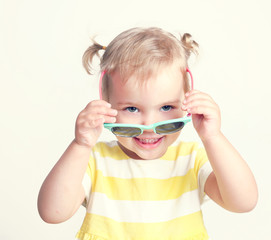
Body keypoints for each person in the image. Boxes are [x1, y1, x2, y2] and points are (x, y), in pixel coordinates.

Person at [38, 27, 258, 240]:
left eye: (166, 108)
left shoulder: (192, 159)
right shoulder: (94, 161)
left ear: (186, 102)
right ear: (106, 104)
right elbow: (52, 213)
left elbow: (243, 202)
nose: (150, 125)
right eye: (132, 109)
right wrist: (80, 145)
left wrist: (213, 137)